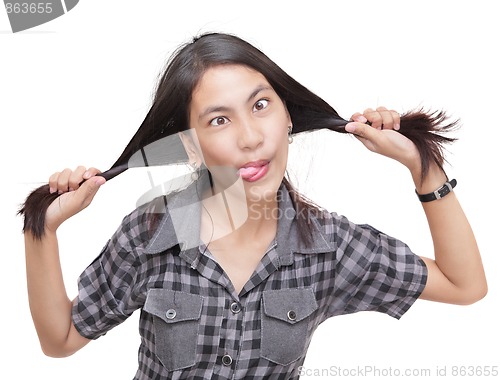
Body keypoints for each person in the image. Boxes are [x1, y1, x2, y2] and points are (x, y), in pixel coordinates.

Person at [21, 32, 487, 379]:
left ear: (287, 114)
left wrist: (422, 167)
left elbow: (464, 285)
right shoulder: (150, 235)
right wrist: (42, 229)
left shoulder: (329, 247)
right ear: (190, 146)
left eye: (261, 105)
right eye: (219, 119)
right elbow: (59, 341)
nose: (250, 137)